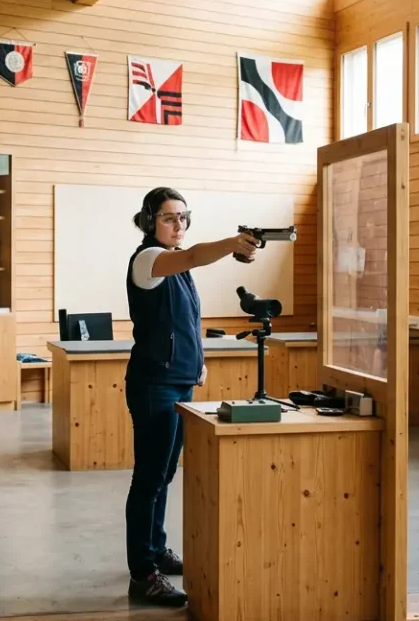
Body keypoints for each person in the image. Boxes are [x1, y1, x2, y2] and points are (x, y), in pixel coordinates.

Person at [123, 187, 260, 606]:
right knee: (149, 479)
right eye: (168, 217)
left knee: (164, 474)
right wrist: (232, 243)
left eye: (183, 217)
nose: (178, 224)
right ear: (150, 221)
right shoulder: (149, 259)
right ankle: (142, 574)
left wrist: (196, 360)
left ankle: (155, 548)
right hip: (154, 385)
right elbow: (196, 255)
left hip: (178, 381)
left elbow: (184, 319)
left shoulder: (176, 264)